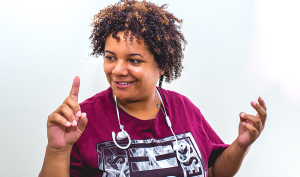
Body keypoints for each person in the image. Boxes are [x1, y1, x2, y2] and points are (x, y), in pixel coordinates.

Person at [39, 0, 267, 176]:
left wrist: (240, 146)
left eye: (134, 60)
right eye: (110, 57)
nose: (117, 69)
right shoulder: (82, 120)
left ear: (162, 66)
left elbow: (215, 171)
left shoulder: (182, 108)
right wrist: (57, 150)